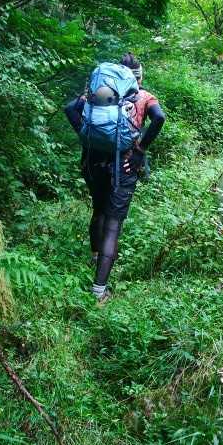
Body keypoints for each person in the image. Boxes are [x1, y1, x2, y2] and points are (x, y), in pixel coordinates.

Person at [65, 53, 165, 302]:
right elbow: (159, 118)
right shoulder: (144, 96)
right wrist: (140, 151)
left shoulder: (98, 94)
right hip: (125, 165)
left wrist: (85, 137)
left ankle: (95, 257)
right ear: (138, 77)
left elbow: (69, 109)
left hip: (92, 161)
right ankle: (99, 290)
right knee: (112, 225)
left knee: (98, 210)